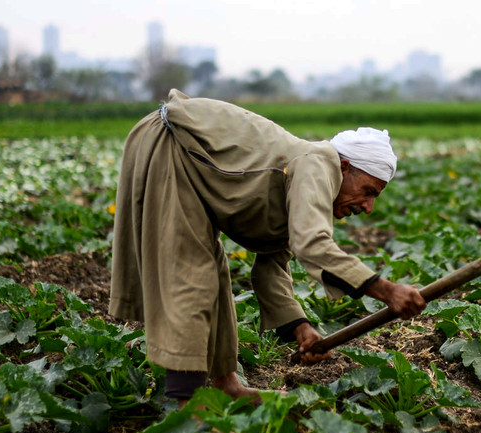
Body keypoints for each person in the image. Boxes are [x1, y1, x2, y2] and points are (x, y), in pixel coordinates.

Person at [109, 90, 427, 402]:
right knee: (191, 274)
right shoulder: (318, 164)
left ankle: (225, 385)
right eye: (369, 191)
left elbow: (272, 266)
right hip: (172, 142)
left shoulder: (309, 181)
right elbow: (312, 244)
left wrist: (302, 329)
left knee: (216, 274)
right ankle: (188, 406)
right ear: (344, 167)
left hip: (193, 161)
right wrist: (387, 291)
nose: (368, 207)